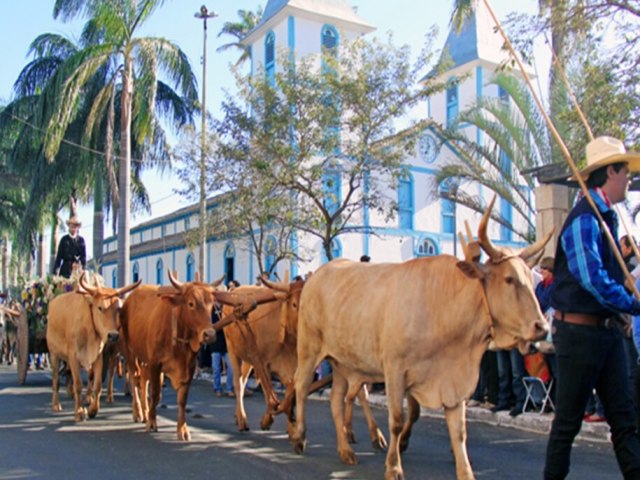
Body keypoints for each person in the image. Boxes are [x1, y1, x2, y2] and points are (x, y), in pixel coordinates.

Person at [544, 136, 640, 480]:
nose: (628, 179)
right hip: (579, 334)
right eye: (624, 171)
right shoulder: (585, 217)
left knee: (626, 421)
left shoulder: (607, 217)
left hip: (607, 331)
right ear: (609, 172)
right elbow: (593, 279)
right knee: (568, 424)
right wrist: (633, 303)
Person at [211, 302, 234, 398]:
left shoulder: (227, 309)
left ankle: (229, 388)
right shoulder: (211, 311)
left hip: (226, 344)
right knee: (216, 368)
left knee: (232, 368)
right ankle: (217, 388)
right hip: (215, 344)